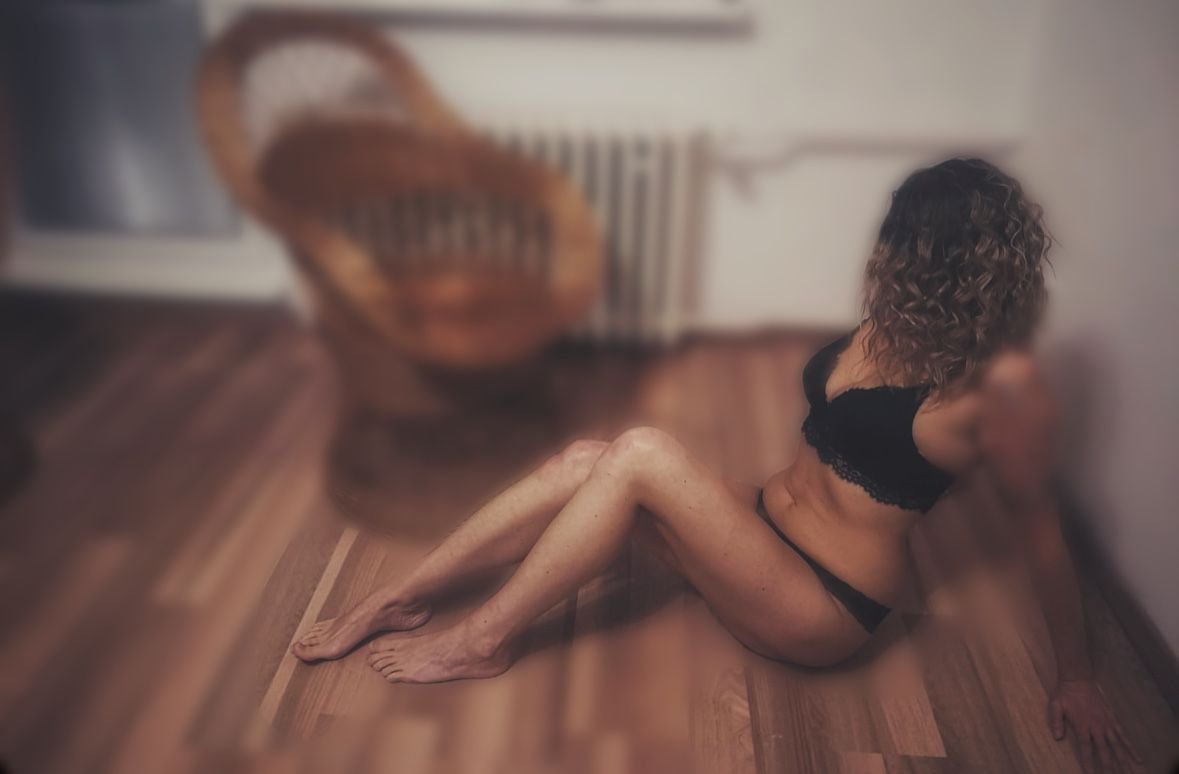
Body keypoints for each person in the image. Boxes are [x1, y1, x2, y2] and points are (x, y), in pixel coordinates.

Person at [292, 158, 1139, 773]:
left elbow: (1042, 533)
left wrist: (1075, 676)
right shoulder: (899, 321)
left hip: (822, 604)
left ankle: (480, 643)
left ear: (944, 264)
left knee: (641, 454)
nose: (883, 259)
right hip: (763, 526)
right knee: (589, 458)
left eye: (903, 247)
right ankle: (403, 598)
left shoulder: (1002, 388)